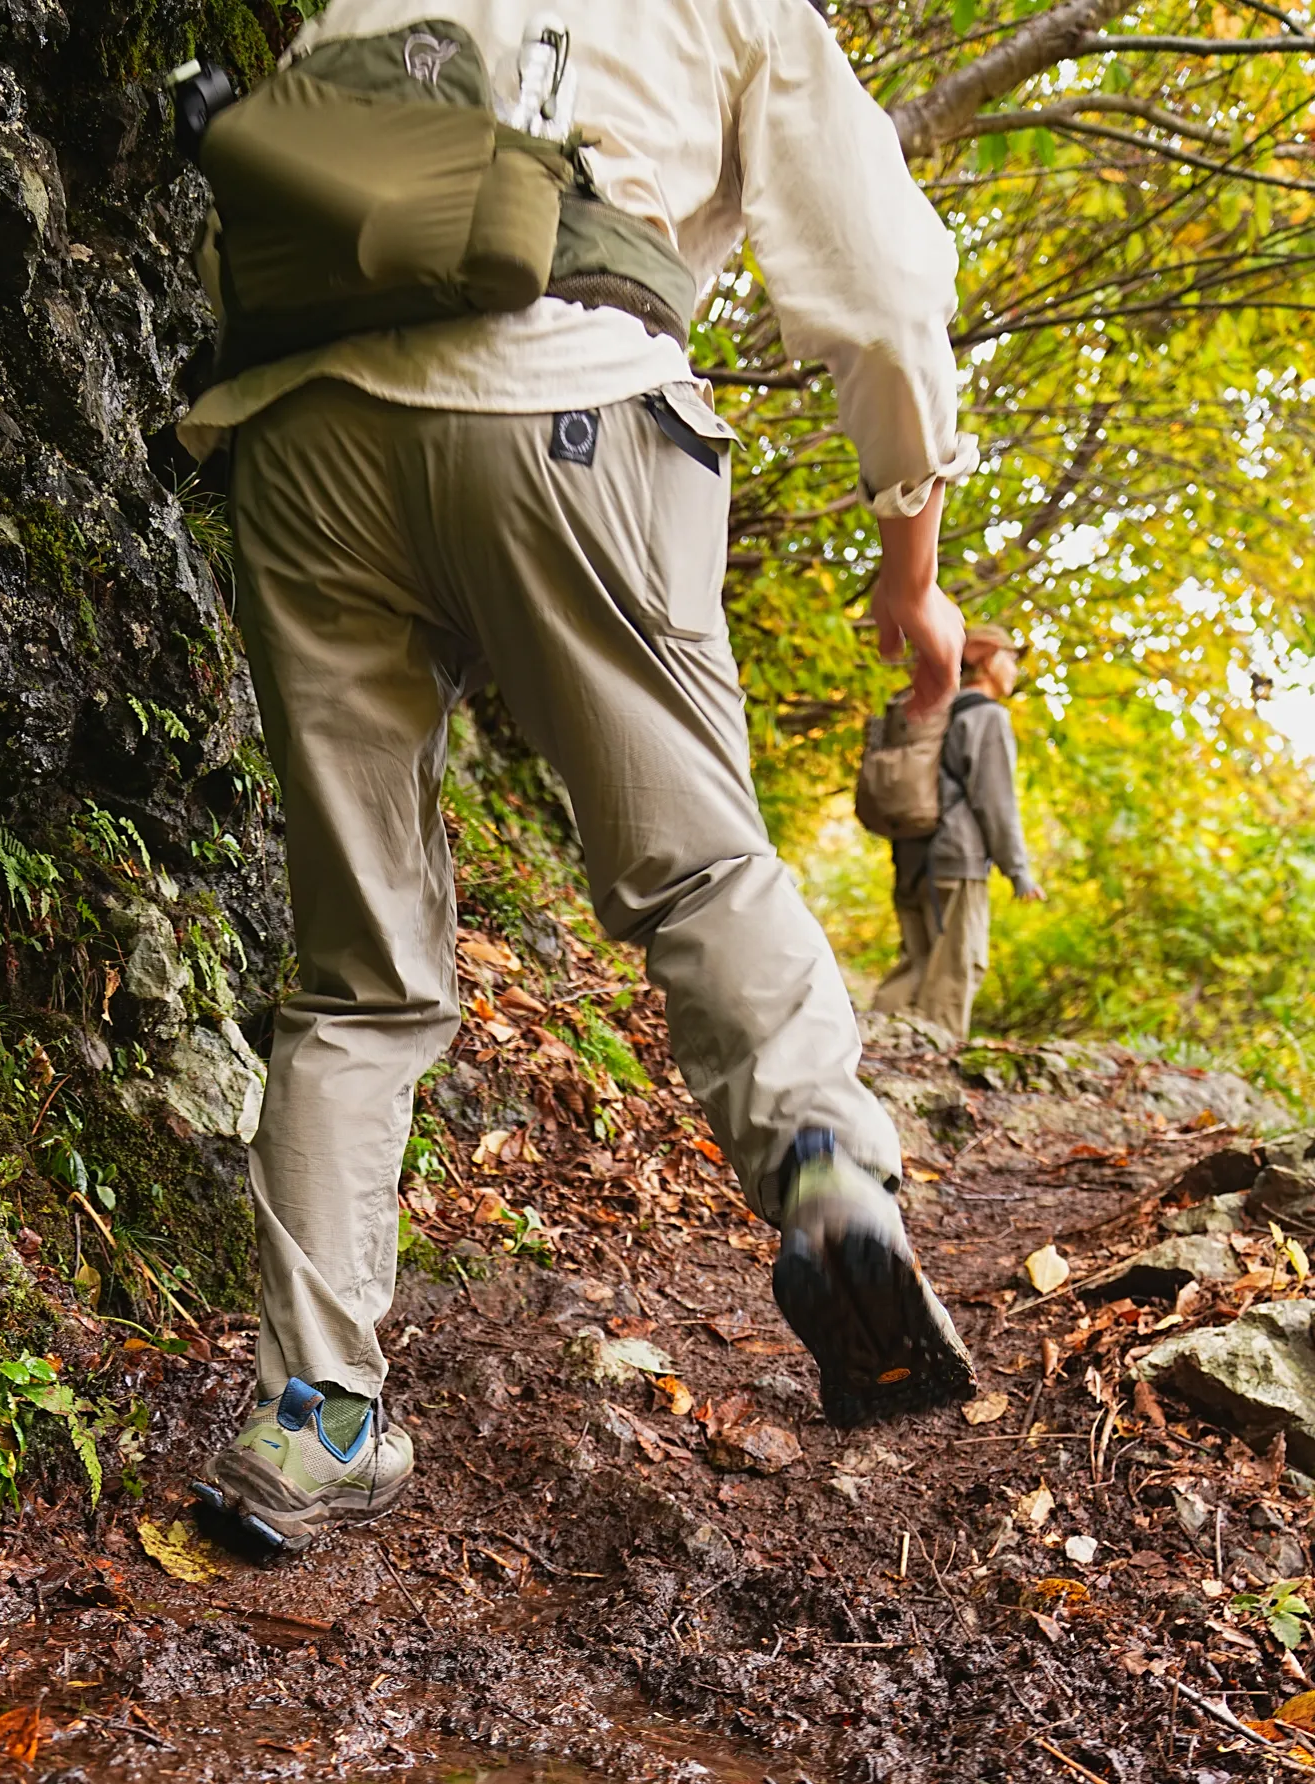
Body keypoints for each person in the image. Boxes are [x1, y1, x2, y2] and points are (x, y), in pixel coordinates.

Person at [176, 0, 981, 1554]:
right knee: (696, 872)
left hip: (299, 434)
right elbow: (879, 291)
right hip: (565, 401)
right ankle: (821, 1167)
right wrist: (913, 562)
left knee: (354, 978)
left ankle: (312, 1415)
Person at [872, 621, 1041, 1045]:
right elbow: (995, 801)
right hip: (955, 859)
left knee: (916, 964)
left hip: (911, 853)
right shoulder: (986, 716)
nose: (1015, 670)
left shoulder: (931, 711)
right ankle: (932, 1070)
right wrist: (1018, 871)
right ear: (986, 661)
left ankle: (867, 1052)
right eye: (1010, 659)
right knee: (955, 968)